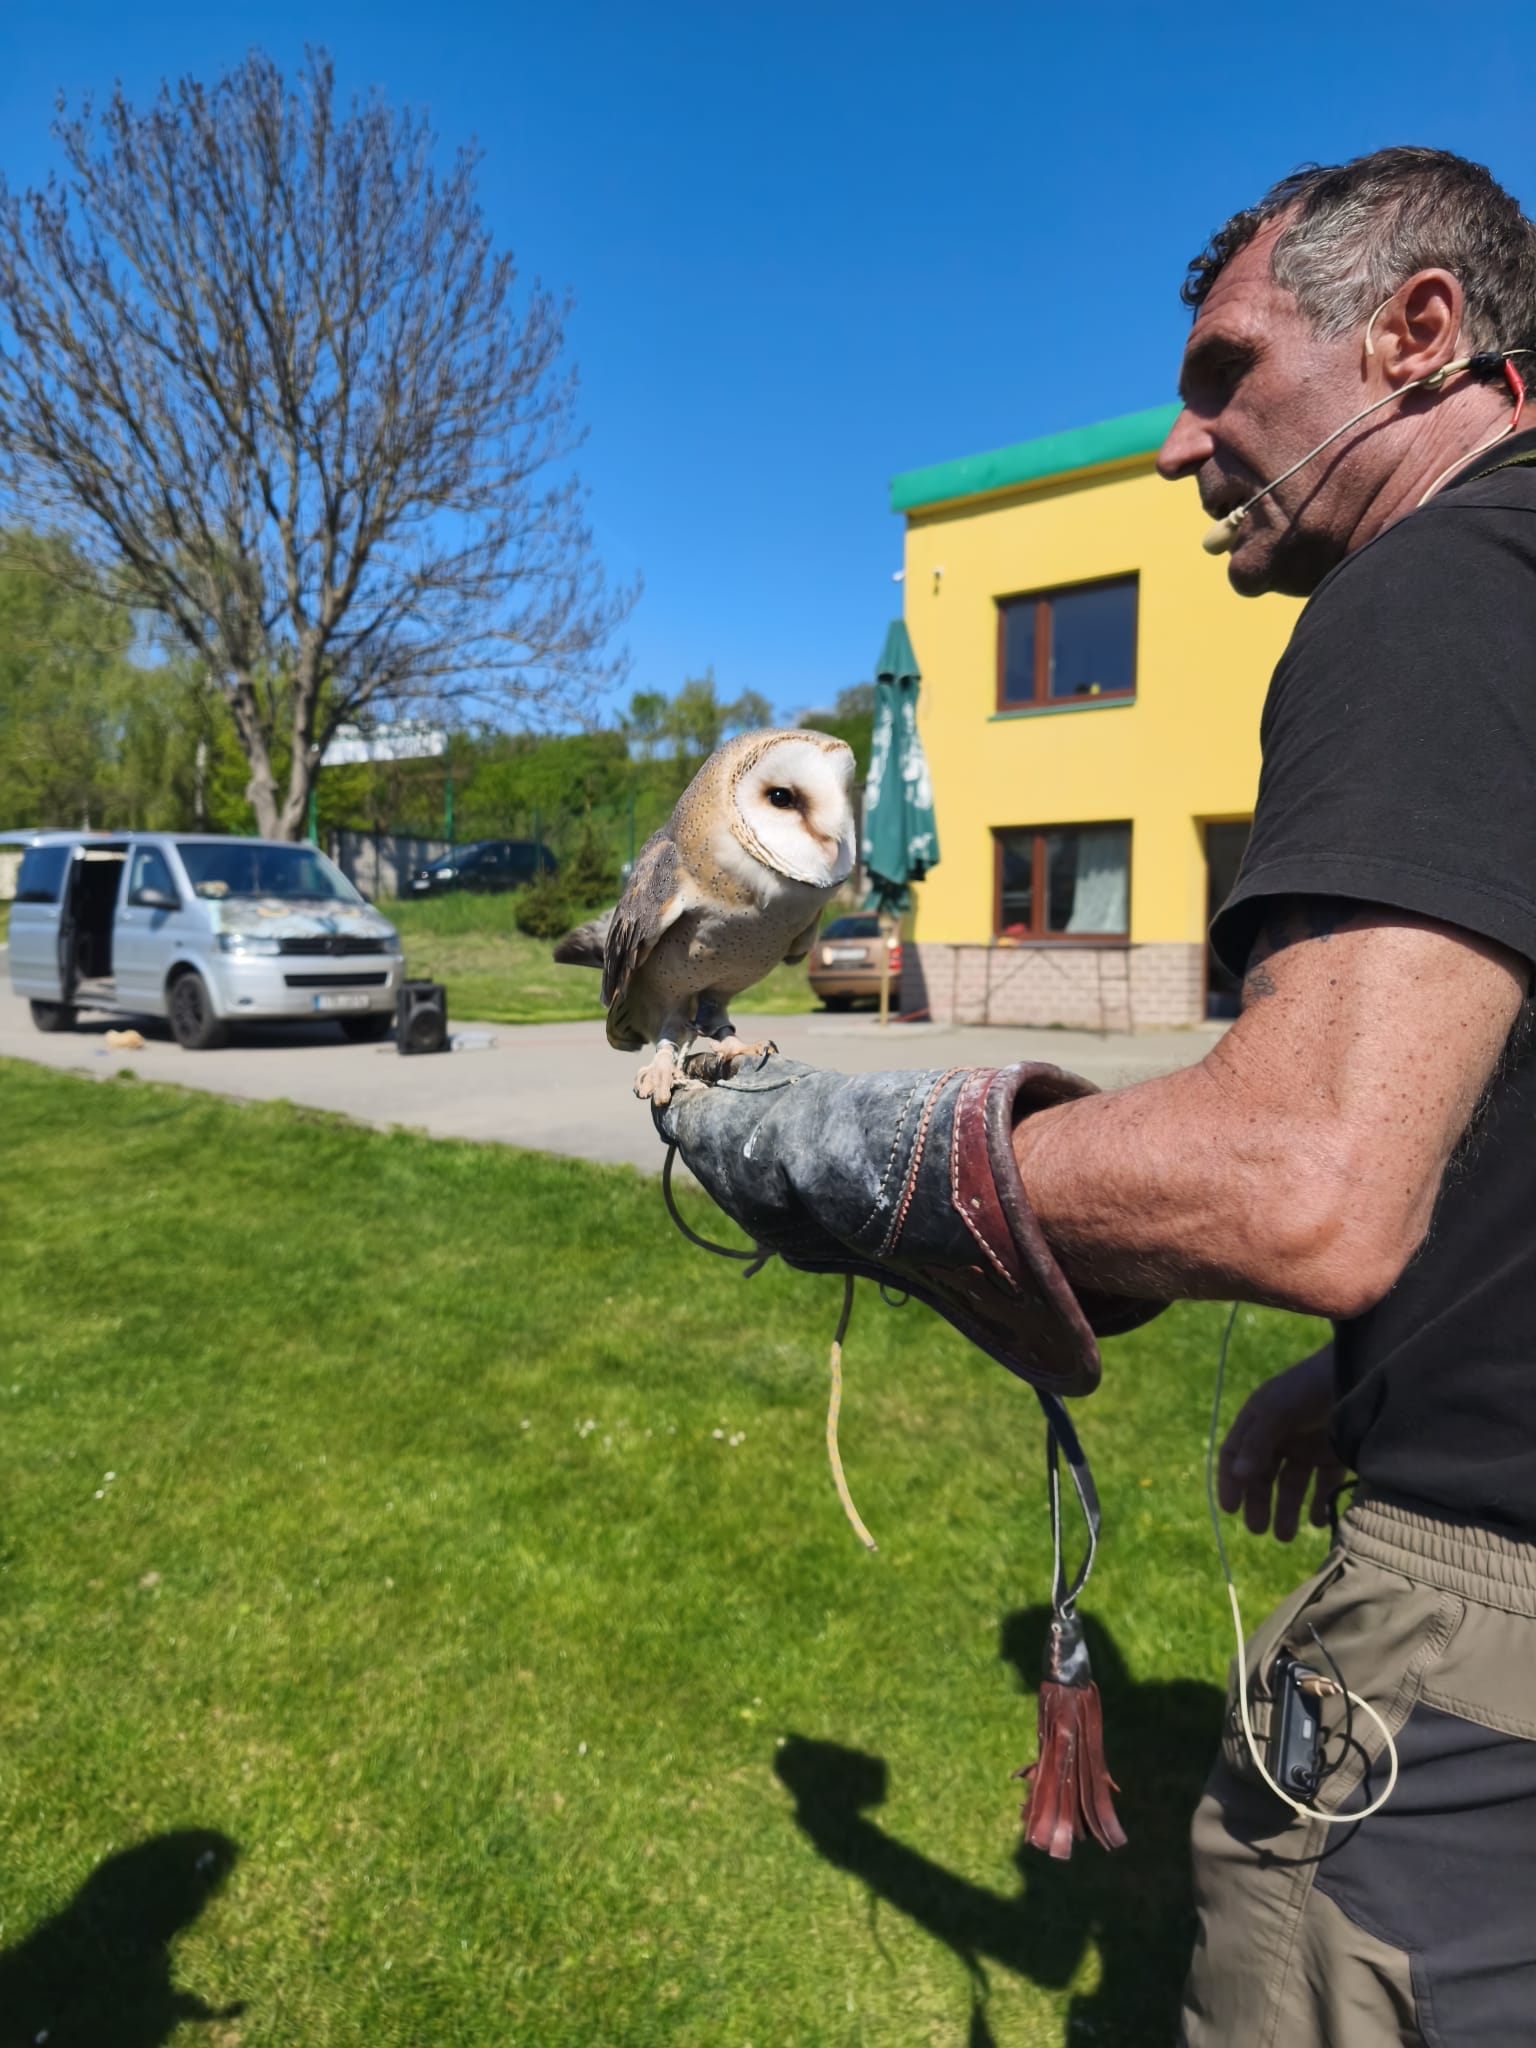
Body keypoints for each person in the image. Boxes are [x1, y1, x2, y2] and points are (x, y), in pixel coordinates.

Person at [655, 146, 1536, 2043]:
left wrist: (858, 1155)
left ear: (1419, 336)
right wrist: (1384, 1374)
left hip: (1482, 1672)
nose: (1177, 443)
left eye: (1226, 374)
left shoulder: (1432, 592)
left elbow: (1306, 1180)